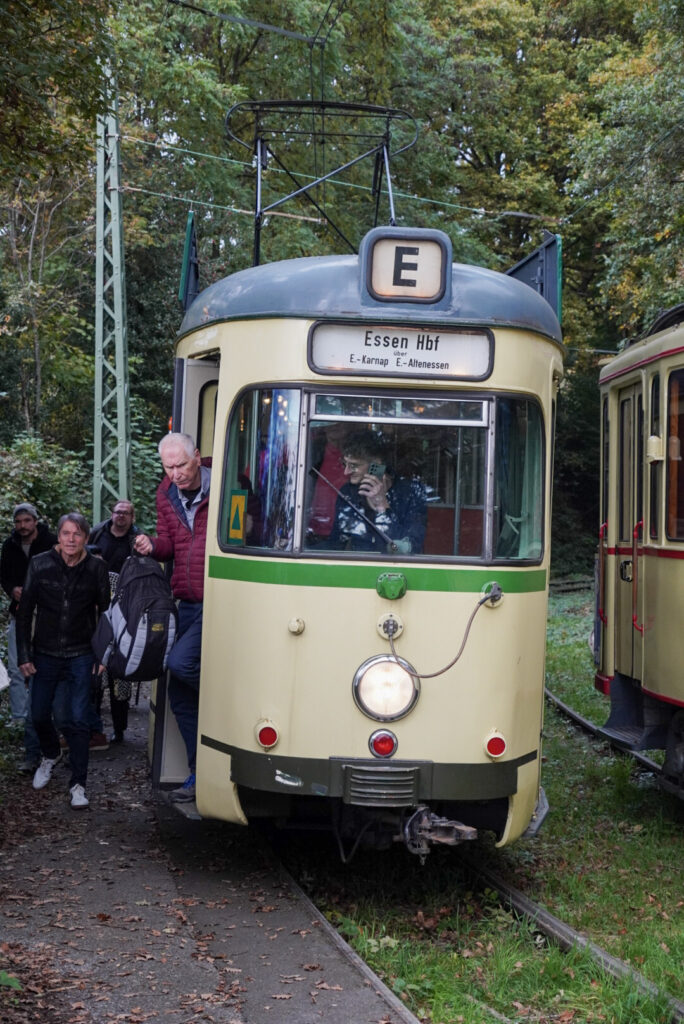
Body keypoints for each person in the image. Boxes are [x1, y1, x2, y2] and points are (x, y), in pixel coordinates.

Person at [134, 433, 210, 803]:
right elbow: (168, 545)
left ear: (197, 456)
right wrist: (152, 545)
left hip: (221, 598)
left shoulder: (227, 482)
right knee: (178, 693)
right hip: (187, 600)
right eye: (168, 467)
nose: (175, 474)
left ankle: (225, 702)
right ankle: (200, 774)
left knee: (180, 664)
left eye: (181, 465)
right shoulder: (166, 494)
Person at [15, 513, 110, 810]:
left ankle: (78, 785)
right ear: (58, 536)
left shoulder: (96, 568)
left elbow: (106, 614)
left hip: (81, 653)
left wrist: (102, 654)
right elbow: (24, 612)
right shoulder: (40, 564)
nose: (71, 539)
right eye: (66, 533)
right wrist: (24, 655)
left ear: (86, 538)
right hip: (45, 653)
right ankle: (51, 753)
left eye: (77, 534)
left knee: (78, 720)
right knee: (39, 715)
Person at [0, 503, 57, 772]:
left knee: (43, 665)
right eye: (18, 521)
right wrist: (12, 589)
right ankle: (20, 717)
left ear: (35, 521)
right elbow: (3, 575)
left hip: (45, 613)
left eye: (26, 520)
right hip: (19, 610)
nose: (22, 526)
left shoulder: (50, 542)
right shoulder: (10, 546)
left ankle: (46, 718)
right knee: (15, 665)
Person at [89, 499, 141, 744]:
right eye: (117, 512)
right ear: (111, 514)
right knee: (95, 673)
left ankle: (119, 730)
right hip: (96, 611)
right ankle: (94, 728)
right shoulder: (97, 533)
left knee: (120, 674)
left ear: (132, 517)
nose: (120, 516)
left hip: (126, 612)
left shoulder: (137, 539)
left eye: (125, 513)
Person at [328, 431, 427, 554]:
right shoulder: (348, 492)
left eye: (354, 465)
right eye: (344, 464)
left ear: (376, 465)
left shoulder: (410, 493)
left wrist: (382, 507)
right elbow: (336, 543)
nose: (346, 472)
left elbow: (408, 549)